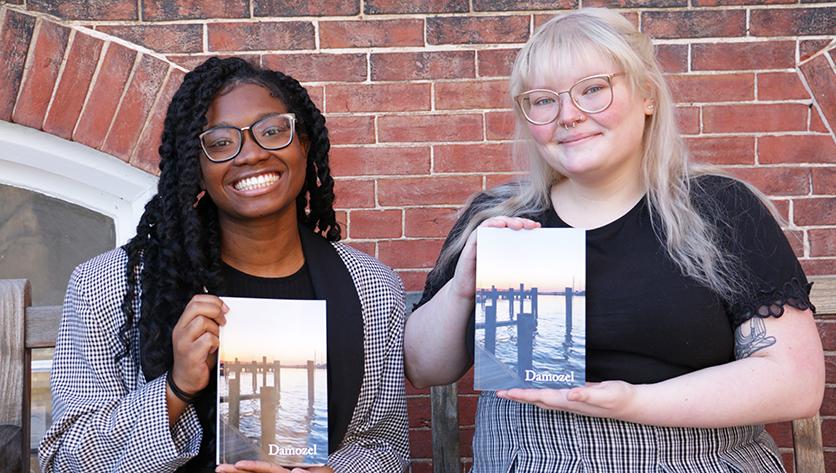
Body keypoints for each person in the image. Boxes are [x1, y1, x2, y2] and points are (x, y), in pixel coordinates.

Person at [404, 8, 824, 473]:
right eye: (543, 100)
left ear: (647, 95)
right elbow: (425, 369)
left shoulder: (720, 209)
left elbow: (795, 381)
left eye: (593, 89)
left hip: (696, 460)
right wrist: (464, 284)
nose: (568, 115)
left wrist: (633, 402)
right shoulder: (498, 219)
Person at [39, 57, 409, 473]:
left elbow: (383, 447)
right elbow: (67, 460)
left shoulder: (371, 288)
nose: (251, 154)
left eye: (272, 131)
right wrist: (175, 389)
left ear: (304, 143)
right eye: (219, 142)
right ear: (194, 166)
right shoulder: (108, 285)